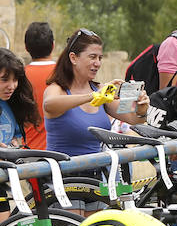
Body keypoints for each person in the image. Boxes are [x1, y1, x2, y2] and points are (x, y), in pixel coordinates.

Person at [45, 29, 150, 158]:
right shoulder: (57, 89)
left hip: (97, 173)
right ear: (73, 58)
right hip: (65, 175)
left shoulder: (100, 89)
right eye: (92, 57)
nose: (98, 63)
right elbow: (49, 105)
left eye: (100, 58)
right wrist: (93, 96)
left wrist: (141, 109)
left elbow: (133, 119)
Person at [22, 22, 56, 149]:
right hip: (61, 153)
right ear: (53, 45)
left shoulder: (17, 77)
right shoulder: (66, 74)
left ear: (26, 47)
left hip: (27, 153)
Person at [0, 50, 42, 147]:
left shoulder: (12, 104)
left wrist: (13, 142)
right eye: (4, 79)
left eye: (15, 79)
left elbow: (13, 136)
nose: (11, 86)